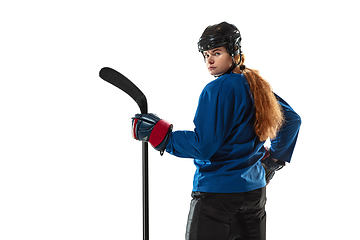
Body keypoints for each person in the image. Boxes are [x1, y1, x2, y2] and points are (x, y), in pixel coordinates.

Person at [131, 22, 301, 240]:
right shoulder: (257, 87)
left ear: (235, 52)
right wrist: (273, 162)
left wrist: (162, 136)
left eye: (217, 53)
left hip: (217, 198)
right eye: (206, 55)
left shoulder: (218, 88)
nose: (209, 60)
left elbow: (204, 146)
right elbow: (291, 121)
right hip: (254, 195)